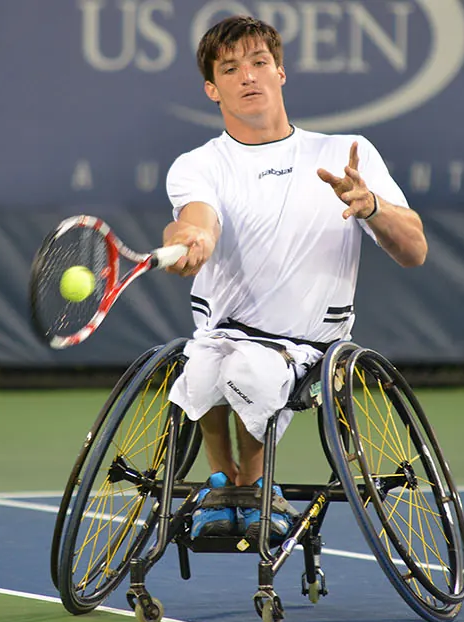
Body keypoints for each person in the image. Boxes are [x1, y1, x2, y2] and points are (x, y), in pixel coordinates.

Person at [160, 15, 427, 540]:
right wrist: (193, 241)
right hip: (221, 334)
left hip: (309, 344)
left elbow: (414, 249)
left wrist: (371, 205)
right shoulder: (198, 164)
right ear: (212, 89)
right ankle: (223, 482)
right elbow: (196, 218)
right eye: (231, 69)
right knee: (204, 363)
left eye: (260, 63)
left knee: (250, 370)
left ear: (281, 73)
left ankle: (255, 486)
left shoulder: (345, 153)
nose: (248, 76)